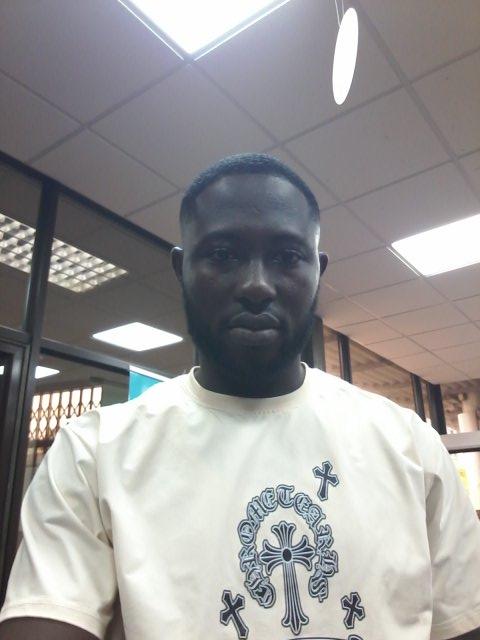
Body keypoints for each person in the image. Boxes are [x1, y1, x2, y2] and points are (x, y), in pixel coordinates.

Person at [0, 153, 479, 640]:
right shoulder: (93, 454)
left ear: (318, 271)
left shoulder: (411, 448)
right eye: (224, 255)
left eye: (287, 257)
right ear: (182, 268)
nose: (256, 285)